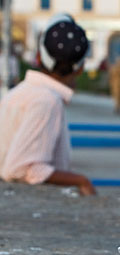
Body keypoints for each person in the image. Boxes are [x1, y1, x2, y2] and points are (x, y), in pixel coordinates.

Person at [0, 13, 96, 196]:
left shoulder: (19, 92)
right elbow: (21, 168)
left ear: (38, 56)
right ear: (81, 67)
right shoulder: (47, 100)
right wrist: (81, 181)